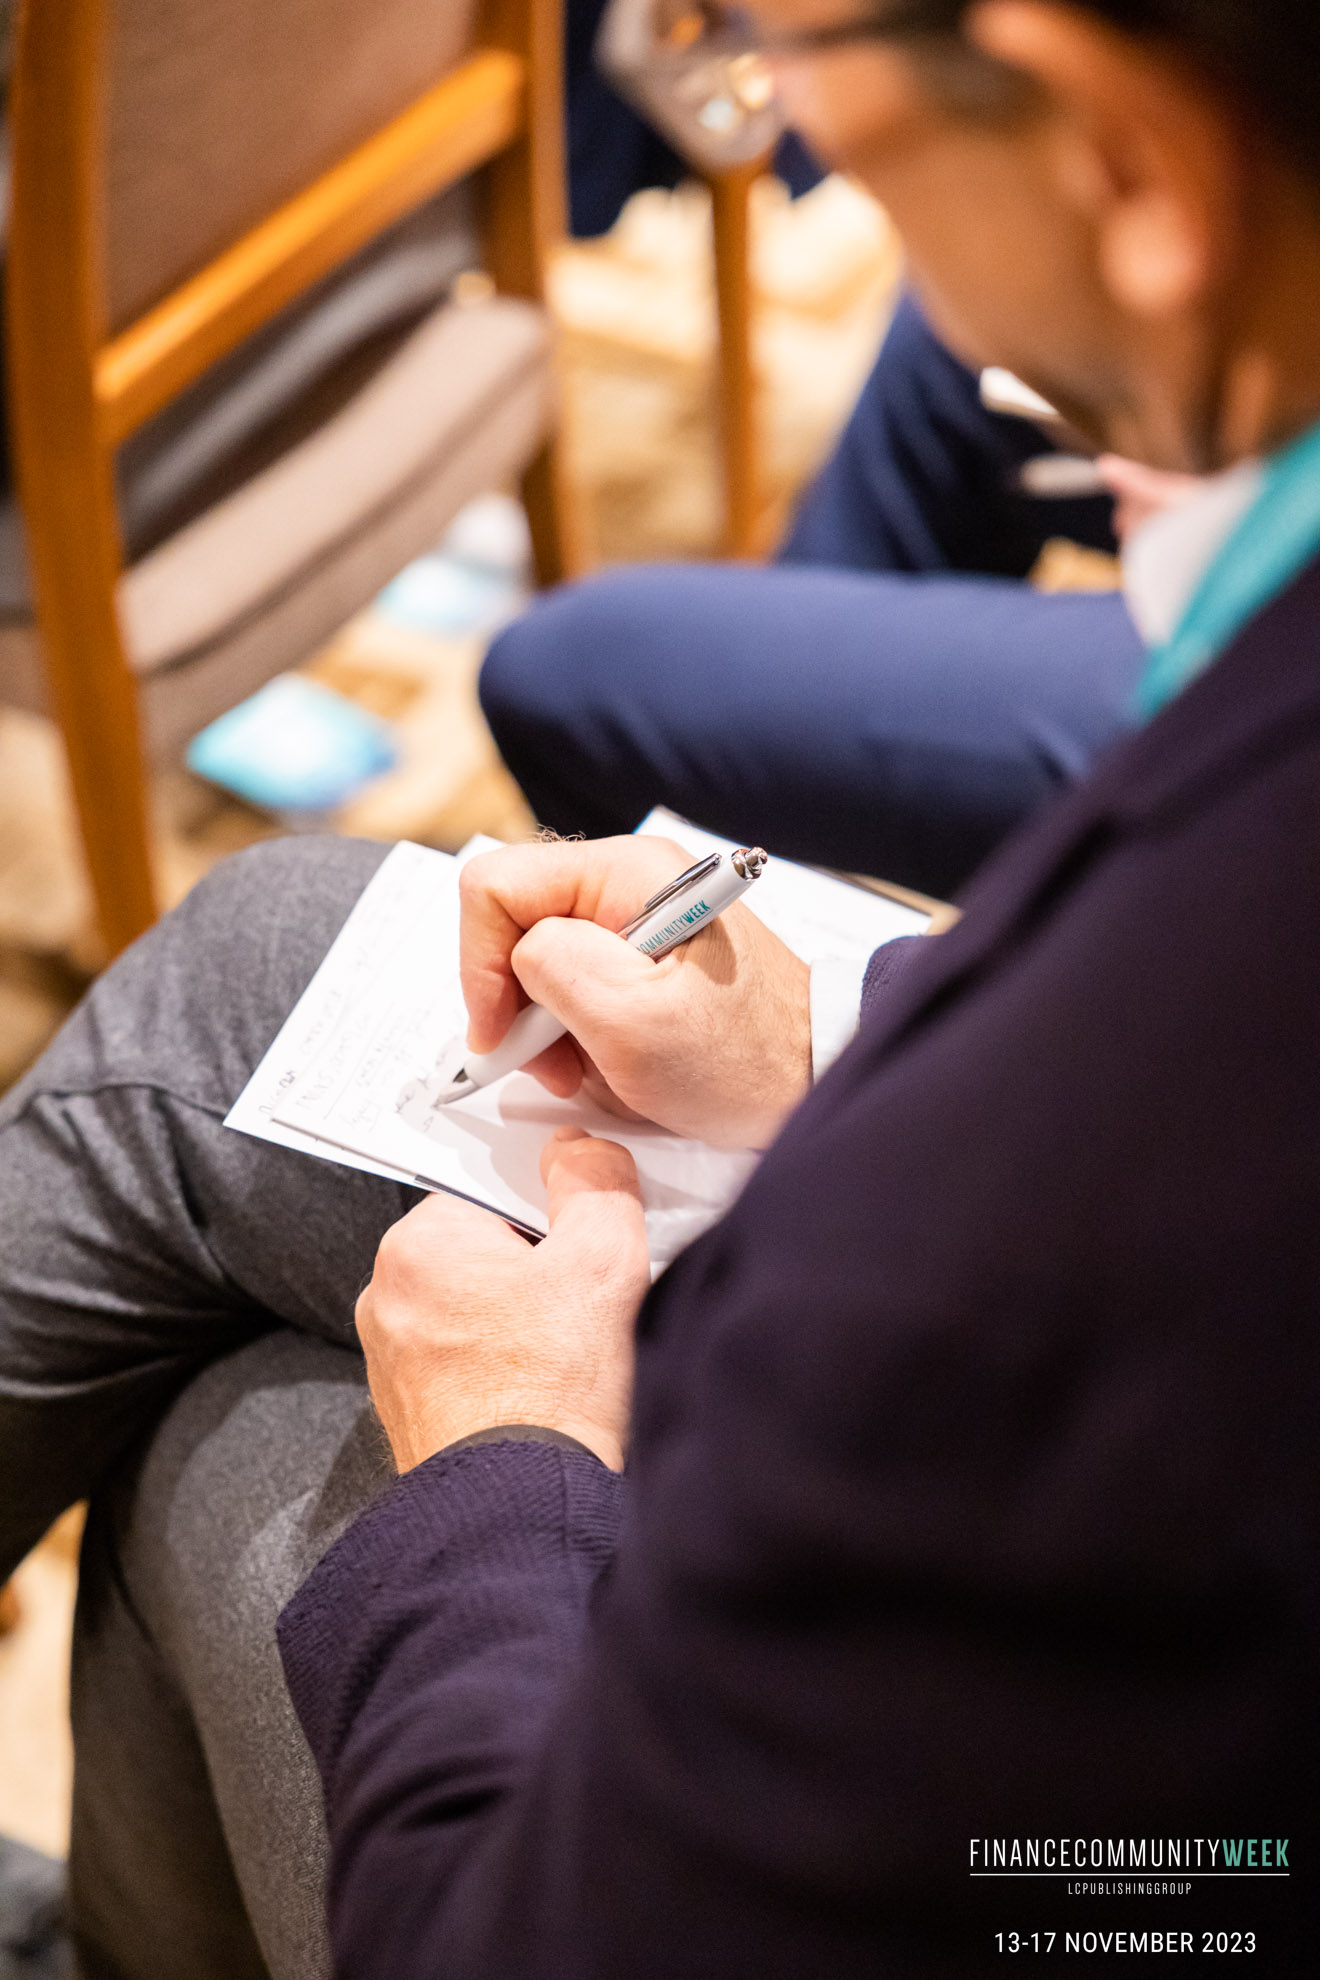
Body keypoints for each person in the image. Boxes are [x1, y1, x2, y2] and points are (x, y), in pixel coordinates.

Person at [2, 1, 1319, 1975]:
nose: (800, 143)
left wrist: (505, 1472)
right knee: (254, 1187)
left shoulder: (1108, 1125)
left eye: (807, 82)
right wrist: (820, 1049)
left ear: (1126, 159)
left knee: (249, 1390)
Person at [480, 291, 1145, 899]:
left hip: (1208, 681)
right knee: (953, 335)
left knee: (564, 672)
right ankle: (807, 865)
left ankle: (851, 958)